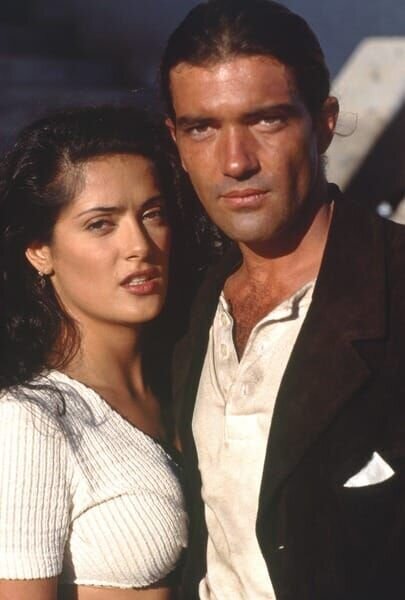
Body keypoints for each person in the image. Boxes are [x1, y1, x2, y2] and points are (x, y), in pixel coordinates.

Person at [160, 1, 405, 598]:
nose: (235, 161)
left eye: (266, 120)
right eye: (202, 128)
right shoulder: (177, 303)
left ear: (324, 122)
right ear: (176, 141)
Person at [0, 106, 188, 600]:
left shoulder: (189, 379)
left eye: (153, 214)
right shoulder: (31, 420)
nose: (139, 246)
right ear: (39, 250)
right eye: (101, 224)